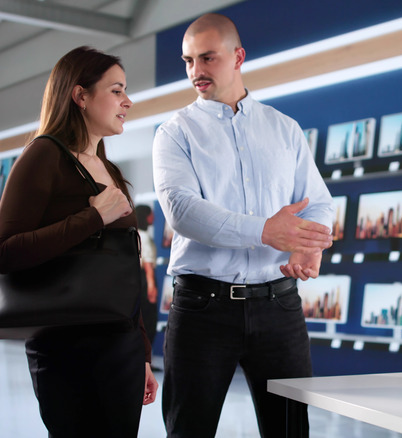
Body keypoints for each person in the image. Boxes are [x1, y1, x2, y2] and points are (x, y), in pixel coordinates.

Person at [152, 13, 334, 438]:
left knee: (290, 430)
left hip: (280, 307)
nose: (196, 71)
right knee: (188, 431)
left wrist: (311, 244)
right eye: (188, 61)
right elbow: (181, 210)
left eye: (207, 58)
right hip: (202, 309)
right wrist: (265, 231)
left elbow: (319, 203)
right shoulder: (174, 133)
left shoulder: (284, 129)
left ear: (238, 56)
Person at [0, 46, 158, 436]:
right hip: (64, 344)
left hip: (120, 346)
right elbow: (5, 251)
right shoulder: (43, 154)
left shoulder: (110, 170)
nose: (128, 101)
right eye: (117, 90)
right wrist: (92, 217)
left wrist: (142, 353)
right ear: (80, 96)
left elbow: (125, 269)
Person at [136, 204, 159, 351]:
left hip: (136, 279)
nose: (153, 217)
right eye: (151, 214)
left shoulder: (135, 234)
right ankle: (145, 359)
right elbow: (148, 264)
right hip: (145, 279)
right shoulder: (144, 236)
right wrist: (151, 286)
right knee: (149, 319)